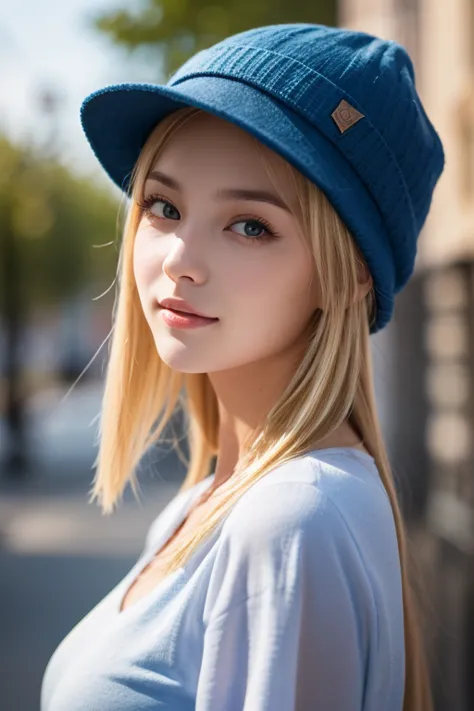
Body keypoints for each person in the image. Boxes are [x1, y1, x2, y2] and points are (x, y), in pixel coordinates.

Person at [40, 22, 444, 711]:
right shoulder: (206, 502)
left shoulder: (295, 518)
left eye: (250, 225)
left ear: (349, 279)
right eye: (164, 207)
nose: (179, 258)